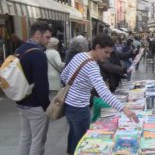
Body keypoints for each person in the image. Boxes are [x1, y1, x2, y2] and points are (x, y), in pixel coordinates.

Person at [61, 34, 139, 155]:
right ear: (97, 47)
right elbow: (104, 93)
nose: (108, 56)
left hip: (68, 105)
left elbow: (64, 76)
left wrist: (78, 87)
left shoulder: (79, 56)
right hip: (80, 107)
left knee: (74, 138)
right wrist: (124, 108)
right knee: (83, 144)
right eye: (106, 52)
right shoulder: (92, 65)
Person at [15, 21, 52, 155]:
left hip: (21, 101)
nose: (49, 40)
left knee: (25, 138)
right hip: (36, 105)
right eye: (47, 37)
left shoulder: (19, 50)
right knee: (38, 141)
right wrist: (47, 107)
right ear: (37, 34)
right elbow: (42, 84)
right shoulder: (38, 54)